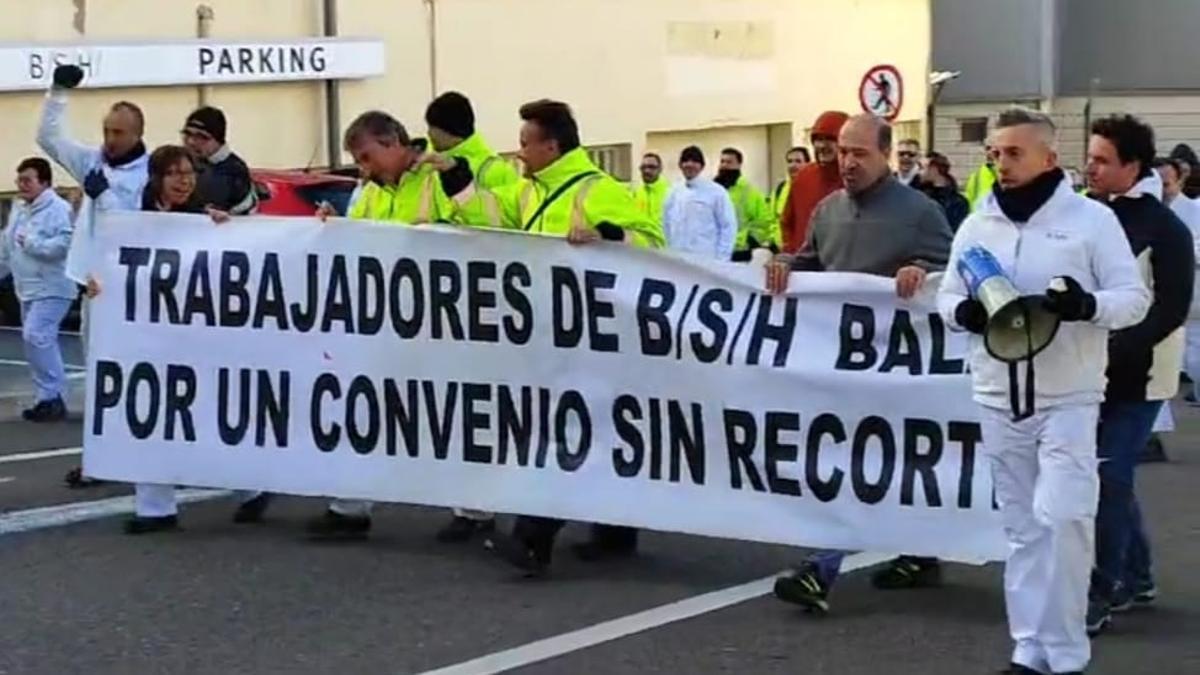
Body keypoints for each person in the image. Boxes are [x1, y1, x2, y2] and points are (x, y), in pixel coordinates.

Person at [937, 108, 1149, 675]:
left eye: (1013, 153)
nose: (1000, 163)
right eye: (994, 154)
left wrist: (1087, 305)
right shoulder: (978, 223)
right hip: (997, 395)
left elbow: (1134, 297)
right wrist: (963, 313)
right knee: (1023, 530)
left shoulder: (1090, 221)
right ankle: (1029, 649)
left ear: (1048, 158)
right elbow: (947, 294)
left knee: (1064, 518)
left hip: (1069, 397)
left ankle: (1067, 654)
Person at [439, 99, 663, 575]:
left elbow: (655, 244)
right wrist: (456, 182)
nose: (519, 153)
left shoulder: (598, 190)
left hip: (595, 337)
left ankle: (533, 537)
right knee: (589, 431)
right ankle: (615, 532)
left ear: (552, 146)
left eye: (525, 143)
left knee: (569, 430)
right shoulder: (529, 192)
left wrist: (610, 233)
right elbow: (491, 221)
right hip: (549, 334)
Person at [766, 114, 953, 613]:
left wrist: (925, 272)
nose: (846, 161)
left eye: (859, 153)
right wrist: (784, 266)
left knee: (879, 464)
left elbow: (954, 277)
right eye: (842, 151)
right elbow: (810, 263)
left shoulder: (920, 213)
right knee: (860, 464)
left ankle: (824, 566)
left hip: (901, 371)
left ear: (886, 155)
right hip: (841, 367)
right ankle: (908, 555)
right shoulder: (827, 210)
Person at [88, 145, 273, 533]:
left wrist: (227, 231)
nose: (184, 180)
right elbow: (109, 259)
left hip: (197, 340)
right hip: (148, 338)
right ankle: (155, 508)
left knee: (204, 416)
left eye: (189, 172)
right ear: (157, 178)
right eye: (174, 173)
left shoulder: (204, 218)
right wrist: (97, 282)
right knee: (149, 412)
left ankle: (251, 488)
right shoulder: (134, 219)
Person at [1082, 116, 1193, 636]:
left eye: (1103, 159)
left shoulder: (1163, 227)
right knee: (1108, 479)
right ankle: (1139, 575)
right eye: (1091, 156)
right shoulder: (1088, 216)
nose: (1091, 166)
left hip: (1141, 377)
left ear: (1132, 166)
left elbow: (1171, 309)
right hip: (1088, 373)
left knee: (1108, 476)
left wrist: (1121, 347)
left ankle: (1102, 590)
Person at [39, 64, 149, 489]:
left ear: (137, 134)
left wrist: (108, 196)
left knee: (132, 371)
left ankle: (142, 452)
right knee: (98, 371)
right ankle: (100, 457)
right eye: (106, 130)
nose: (109, 140)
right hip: (93, 285)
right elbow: (48, 138)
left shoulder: (146, 174)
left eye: (118, 133)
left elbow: (141, 221)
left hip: (130, 286)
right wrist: (59, 92)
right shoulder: (91, 161)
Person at [423, 91, 520, 544]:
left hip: (482, 299)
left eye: (432, 129)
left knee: (481, 409)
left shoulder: (493, 169)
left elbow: (500, 226)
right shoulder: (428, 164)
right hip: (443, 299)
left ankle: (484, 506)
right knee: (456, 408)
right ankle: (467, 505)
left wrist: (458, 184)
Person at [0, 158, 74, 423]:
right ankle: (46, 397)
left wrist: (31, 243)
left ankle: (53, 396)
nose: (22, 186)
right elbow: (7, 246)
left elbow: (64, 245)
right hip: (26, 287)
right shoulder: (19, 210)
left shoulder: (59, 209)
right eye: (19, 180)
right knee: (34, 342)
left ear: (44, 182)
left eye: (28, 180)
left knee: (37, 335)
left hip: (53, 286)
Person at [1155, 157, 1200, 403]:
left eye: (1167, 184)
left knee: (1194, 360)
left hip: (1192, 303)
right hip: (1154, 304)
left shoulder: (1195, 212)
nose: (1162, 190)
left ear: (1180, 181)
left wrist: (1180, 249)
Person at [779, 111, 849, 253]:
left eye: (830, 139)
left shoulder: (856, 178)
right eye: (818, 139)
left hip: (842, 267)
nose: (822, 146)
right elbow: (787, 221)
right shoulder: (804, 177)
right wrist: (791, 250)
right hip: (804, 267)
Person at [660, 146, 738, 260]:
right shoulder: (673, 192)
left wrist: (721, 259)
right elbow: (666, 223)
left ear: (702, 166)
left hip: (706, 259)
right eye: (685, 161)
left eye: (694, 161)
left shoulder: (716, 192)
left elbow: (728, 226)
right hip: (677, 259)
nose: (689, 164)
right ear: (680, 165)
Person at [180, 106, 257, 215]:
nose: (191, 141)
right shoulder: (181, 162)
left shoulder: (233, 171)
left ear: (218, 140)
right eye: (187, 134)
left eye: (202, 137)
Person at [716, 147, 778, 260]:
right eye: (722, 161)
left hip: (739, 252)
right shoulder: (714, 191)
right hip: (715, 250)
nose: (724, 165)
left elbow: (763, 222)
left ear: (739, 165)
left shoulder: (750, 192)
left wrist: (749, 240)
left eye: (729, 162)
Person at [918, 151, 970, 232]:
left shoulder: (958, 202)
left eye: (922, 168)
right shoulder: (921, 197)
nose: (919, 172)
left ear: (933, 169)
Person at [769, 146, 809, 226]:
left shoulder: (814, 188)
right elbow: (771, 219)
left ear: (808, 164)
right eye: (789, 161)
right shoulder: (780, 189)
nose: (793, 165)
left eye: (798, 161)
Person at [631, 152, 669, 227]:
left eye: (651, 167)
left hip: (663, 238)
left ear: (660, 169)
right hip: (640, 238)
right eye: (643, 167)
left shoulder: (670, 193)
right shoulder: (636, 192)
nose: (646, 171)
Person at [964, 145, 998, 210]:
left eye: (994, 148)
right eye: (988, 148)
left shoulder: (1011, 174)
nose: (990, 152)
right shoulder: (976, 176)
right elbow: (969, 201)